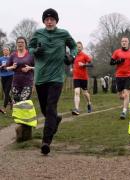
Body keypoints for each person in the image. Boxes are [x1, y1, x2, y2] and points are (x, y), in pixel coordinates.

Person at [29, 8, 77, 155]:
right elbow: (30, 48)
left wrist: (71, 56)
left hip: (56, 77)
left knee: (51, 107)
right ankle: (55, 120)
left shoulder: (63, 34)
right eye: (47, 19)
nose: (49, 22)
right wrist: (35, 51)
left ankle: (46, 141)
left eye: (52, 19)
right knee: (45, 109)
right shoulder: (38, 34)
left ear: (56, 21)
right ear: (44, 21)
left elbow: (74, 46)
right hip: (41, 77)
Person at [110, 37, 130, 120]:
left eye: (125, 41)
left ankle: (124, 111)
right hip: (119, 76)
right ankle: (128, 99)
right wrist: (118, 61)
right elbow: (111, 62)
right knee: (121, 96)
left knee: (126, 94)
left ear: (128, 43)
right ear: (121, 43)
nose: (124, 42)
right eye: (122, 41)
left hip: (128, 76)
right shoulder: (117, 52)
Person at [72, 41, 93, 115]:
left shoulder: (84, 55)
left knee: (85, 93)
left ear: (82, 48)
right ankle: (76, 109)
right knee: (76, 92)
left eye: (79, 47)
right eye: (77, 47)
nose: (78, 48)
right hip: (76, 77)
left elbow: (91, 65)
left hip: (83, 78)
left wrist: (84, 65)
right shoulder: (73, 56)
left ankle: (89, 103)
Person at [0, 46, 14, 114]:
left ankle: (4, 108)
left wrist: (8, 67)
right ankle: (11, 102)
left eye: (7, 50)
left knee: (7, 92)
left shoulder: (11, 58)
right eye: (4, 50)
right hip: (3, 77)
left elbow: (14, 66)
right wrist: (2, 66)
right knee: (5, 92)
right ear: (3, 52)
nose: (5, 51)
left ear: (9, 51)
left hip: (10, 76)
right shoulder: (0, 58)